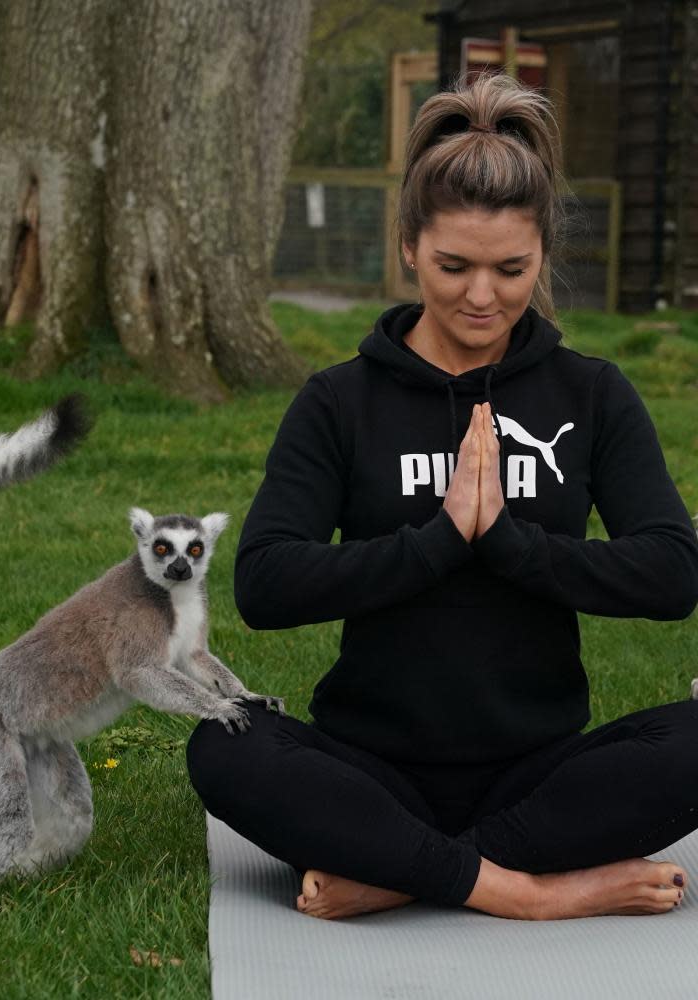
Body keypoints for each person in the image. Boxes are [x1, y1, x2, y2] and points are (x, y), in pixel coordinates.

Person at [186, 70, 698, 921]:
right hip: (372, 765)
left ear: (543, 256)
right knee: (225, 743)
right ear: (409, 246)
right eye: (454, 265)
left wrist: (508, 542)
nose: (482, 296)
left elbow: (675, 573)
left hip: (539, 769)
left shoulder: (591, 395)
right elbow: (266, 585)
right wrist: (436, 541)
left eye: (512, 269)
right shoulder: (339, 400)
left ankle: (399, 873)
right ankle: (528, 892)